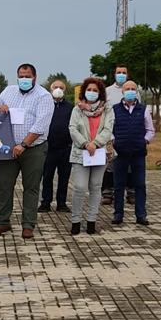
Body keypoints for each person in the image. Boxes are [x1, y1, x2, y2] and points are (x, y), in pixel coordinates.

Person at [0, 64, 55, 239]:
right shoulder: (8, 91)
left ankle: (28, 225)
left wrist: (23, 145)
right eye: (21, 76)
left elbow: (41, 125)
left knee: (30, 187)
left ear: (35, 77)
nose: (24, 79)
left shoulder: (44, 96)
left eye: (27, 76)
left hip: (33, 149)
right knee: (4, 186)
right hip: (8, 149)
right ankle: (2, 223)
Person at [68, 77, 115, 235]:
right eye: (89, 90)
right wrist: (85, 144)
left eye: (95, 90)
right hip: (81, 153)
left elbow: (108, 129)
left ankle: (91, 221)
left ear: (100, 93)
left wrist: (95, 143)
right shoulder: (77, 109)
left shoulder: (108, 109)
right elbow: (72, 129)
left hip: (99, 153)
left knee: (96, 187)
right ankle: (75, 220)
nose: (92, 93)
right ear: (84, 91)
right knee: (80, 187)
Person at [110, 80, 154, 226]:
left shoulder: (144, 109)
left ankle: (141, 215)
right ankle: (118, 214)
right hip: (120, 153)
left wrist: (145, 141)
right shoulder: (114, 109)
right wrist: (114, 141)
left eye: (133, 89)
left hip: (138, 153)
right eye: (127, 88)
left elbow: (150, 130)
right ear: (122, 92)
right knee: (118, 185)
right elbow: (109, 129)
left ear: (137, 92)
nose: (130, 91)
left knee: (140, 184)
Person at [39, 79, 74, 214]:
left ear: (65, 90)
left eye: (61, 87)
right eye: (55, 87)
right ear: (50, 89)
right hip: (48, 147)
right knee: (47, 176)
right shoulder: (45, 105)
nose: (58, 89)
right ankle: (45, 202)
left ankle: (61, 203)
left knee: (64, 177)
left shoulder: (70, 107)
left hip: (66, 147)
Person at [101, 64, 130, 205]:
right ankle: (107, 193)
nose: (121, 75)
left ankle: (131, 193)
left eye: (124, 72)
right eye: (119, 72)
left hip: (128, 133)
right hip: (110, 133)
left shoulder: (134, 91)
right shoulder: (108, 91)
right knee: (110, 164)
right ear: (114, 74)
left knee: (129, 165)